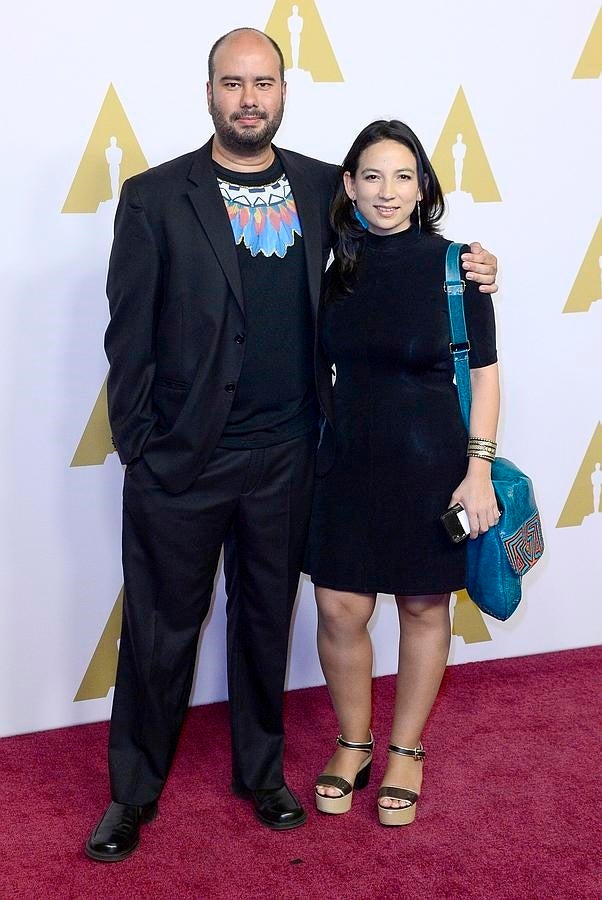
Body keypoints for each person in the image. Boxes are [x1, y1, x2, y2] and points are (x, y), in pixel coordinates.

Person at [86, 30, 498, 861]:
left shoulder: (322, 188)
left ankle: (261, 774)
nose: (249, 98)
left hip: (290, 457)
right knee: (162, 628)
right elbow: (127, 339)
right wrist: (143, 448)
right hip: (184, 462)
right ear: (208, 92)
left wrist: (478, 263)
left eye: (263, 83)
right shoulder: (154, 196)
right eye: (232, 83)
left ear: (283, 91)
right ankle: (132, 794)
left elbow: (401, 248)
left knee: (265, 623)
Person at [304, 120, 500, 826]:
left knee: (423, 608)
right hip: (346, 465)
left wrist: (477, 473)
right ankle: (352, 742)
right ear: (349, 187)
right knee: (338, 609)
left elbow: (484, 377)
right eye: (372, 177)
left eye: (403, 177)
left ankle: (406, 751)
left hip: (431, 470)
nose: (387, 192)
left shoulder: (457, 267)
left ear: (424, 189)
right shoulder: (333, 273)